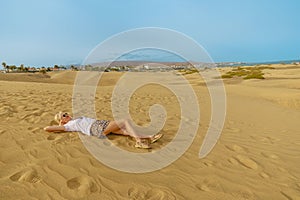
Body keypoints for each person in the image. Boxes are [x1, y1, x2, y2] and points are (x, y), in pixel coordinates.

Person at [44, 112, 163, 149]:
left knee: (124, 130)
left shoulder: (75, 119)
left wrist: (65, 119)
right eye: (63, 116)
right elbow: (47, 128)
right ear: (62, 121)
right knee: (125, 121)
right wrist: (61, 123)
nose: (66, 115)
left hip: (101, 124)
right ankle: (138, 141)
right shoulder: (68, 126)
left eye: (65, 113)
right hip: (96, 128)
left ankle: (149, 137)